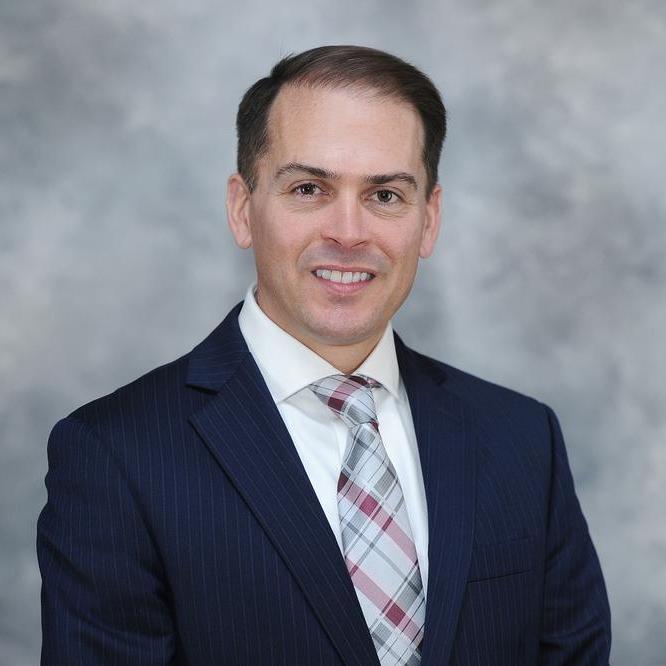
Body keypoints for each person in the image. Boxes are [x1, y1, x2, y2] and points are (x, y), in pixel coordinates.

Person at [37, 45, 611, 665]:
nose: (348, 232)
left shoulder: (523, 438)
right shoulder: (116, 455)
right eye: (309, 188)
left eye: (385, 195)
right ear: (242, 209)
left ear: (429, 219)